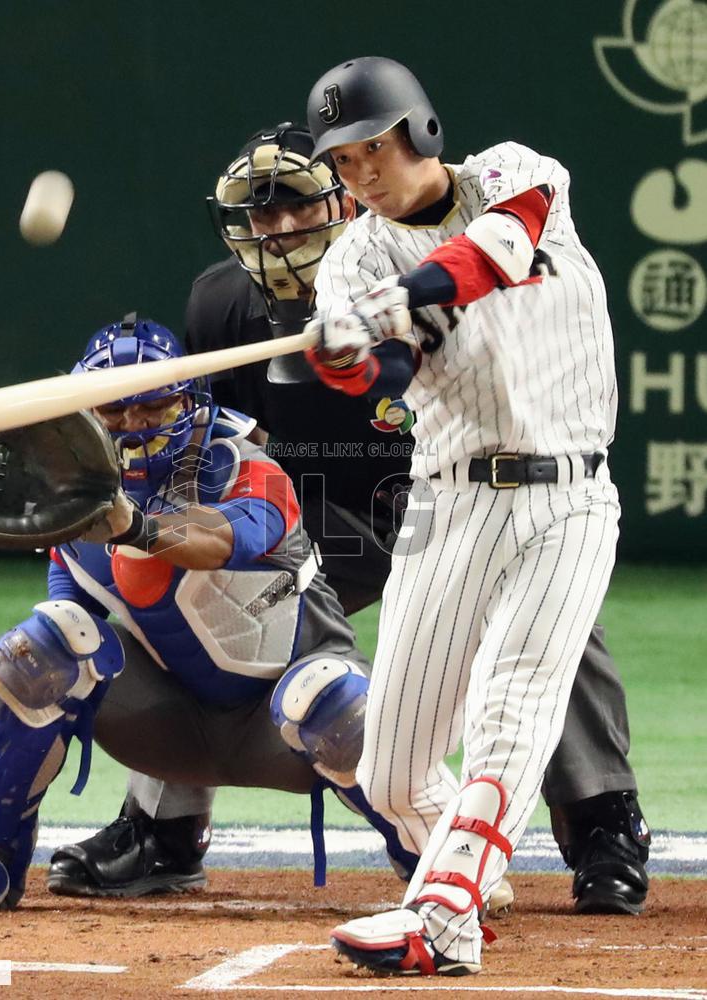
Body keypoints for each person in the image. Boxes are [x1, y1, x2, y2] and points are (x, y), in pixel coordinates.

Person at [50, 122, 650, 919]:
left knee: (542, 604)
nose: (281, 228)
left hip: (436, 498)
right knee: (184, 593)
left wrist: (373, 338)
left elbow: (420, 370)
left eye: (297, 205)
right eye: (260, 217)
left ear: (340, 200)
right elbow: (210, 460)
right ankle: (163, 829)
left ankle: (601, 825)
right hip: (304, 519)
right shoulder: (221, 304)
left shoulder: (401, 258)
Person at [297, 56, 651, 976]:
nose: (363, 172)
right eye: (343, 161)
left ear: (419, 131)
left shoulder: (514, 173)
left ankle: (445, 909)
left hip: (568, 495)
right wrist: (345, 360)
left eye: (374, 146)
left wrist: (392, 302)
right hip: (448, 502)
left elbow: (489, 253)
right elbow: (386, 378)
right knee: (391, 773)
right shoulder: (352, 260)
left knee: (512, 701)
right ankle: (468, 862)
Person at [0, 316, 415, 911]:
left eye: (153, 410)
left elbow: (217, 541)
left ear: (190, 405)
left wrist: (134, 527)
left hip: (286, 727)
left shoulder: (246, 468)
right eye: (114, 412)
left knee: (325, 695)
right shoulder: (78, 503)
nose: (133, 428)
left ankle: (434, 862)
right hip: (171, 726)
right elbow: (71, 625)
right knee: (37, 650)